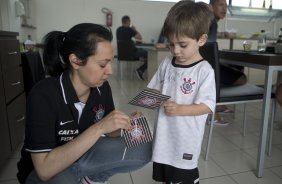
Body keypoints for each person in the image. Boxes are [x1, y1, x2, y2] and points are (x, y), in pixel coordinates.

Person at [16, 23, 152, 184]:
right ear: (75, 61)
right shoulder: (43, 94)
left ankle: (92, 177)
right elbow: (44, 170)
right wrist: (100, 127)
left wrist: (122, 124)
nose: (110, 71)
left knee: (144, 148)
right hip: (47, 169)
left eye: (110, 62)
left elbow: (109, 132)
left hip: (82, 157)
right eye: (102, 64)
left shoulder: (101, 88)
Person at [147, 1, 216, 183]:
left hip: (185, 139)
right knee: (167, 177)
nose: (176, 50)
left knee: (183, 176)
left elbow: (208, 106)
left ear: (201, 40)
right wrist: (143, 105)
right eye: (171, 44)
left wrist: (180, 109)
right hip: (164, 136)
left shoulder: (204, 71)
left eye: (183, 45)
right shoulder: (167, 63)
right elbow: (153, 90)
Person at [208, 0, 247, 125]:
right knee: (242, 78)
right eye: (220, 5)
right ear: (211, 7)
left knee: (237, 68)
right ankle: (212, 105)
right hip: (207, 68)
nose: (224, 8)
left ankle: (217, 104)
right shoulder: (211, 23)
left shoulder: (210, 22)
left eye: (226, 5)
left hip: (205, 67)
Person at [116, 15, 148, 80]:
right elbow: (140, 37)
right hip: (131, 55)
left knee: (142, 53)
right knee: (148, 54)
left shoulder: (118, 29)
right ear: (128, 22)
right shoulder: (130, 30)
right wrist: (135, 30)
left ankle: (141, 67)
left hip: (121, 55)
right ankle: (141, 70)